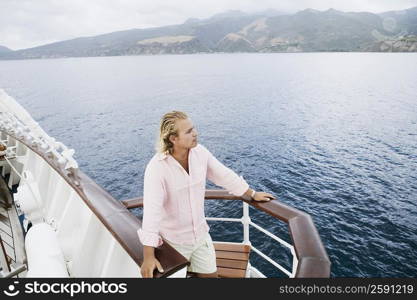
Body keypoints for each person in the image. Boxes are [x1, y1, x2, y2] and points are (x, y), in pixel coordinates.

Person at [138, 111, 275, 278]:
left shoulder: (200, 153)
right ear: (173, 138)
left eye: (193, 128)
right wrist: (149, 257)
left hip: (201, 237)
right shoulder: (157, 168)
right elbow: (152, 213)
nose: (195, 133)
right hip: (174, 243)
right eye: (188, 131)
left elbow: (223, 175)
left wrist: (251, 193)